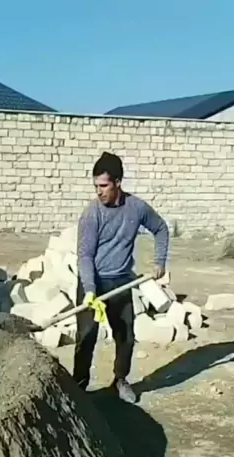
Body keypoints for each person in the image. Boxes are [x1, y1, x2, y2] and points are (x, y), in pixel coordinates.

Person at [75, 151, 169, 403]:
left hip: (120, 281)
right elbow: (84, 256)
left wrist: (160, 261)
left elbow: (161, 228)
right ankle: (79, 387)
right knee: (86, 337)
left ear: (118, 182)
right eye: (96, 186)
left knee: (125, 335)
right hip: (93, 282)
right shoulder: (92, 214)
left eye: (104, 185)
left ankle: (120, 380)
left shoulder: (136, 208)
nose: (99, 191)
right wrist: (90, 289)